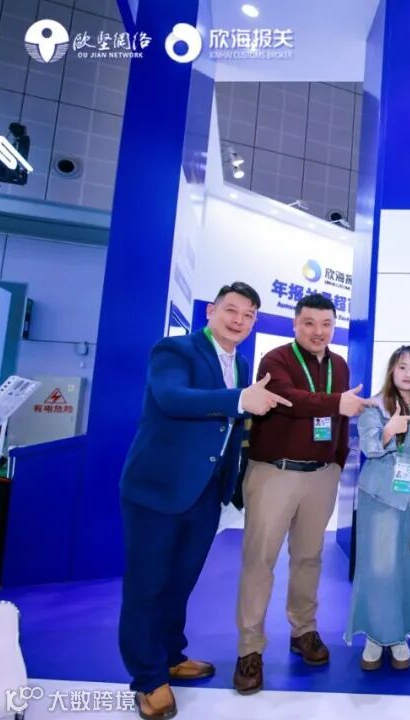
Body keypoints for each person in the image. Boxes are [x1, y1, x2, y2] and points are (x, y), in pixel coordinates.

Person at [119, 282, 291, 720]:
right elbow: (172, 398)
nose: (239, 321)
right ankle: (148, 679)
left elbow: (227, 430)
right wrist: (239, 399)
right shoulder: (175, 351)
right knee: (147, 586)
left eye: (248, 315)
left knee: (180, 581)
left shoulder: (241, 362)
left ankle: (169, 655)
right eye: (231, 310)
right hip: (158, 489)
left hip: (204, 493)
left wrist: (231, 483)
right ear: (211, 311)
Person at [233, 293, 369, 695]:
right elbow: (291, 400)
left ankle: (303, 630)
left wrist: (337, 462)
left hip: (321, 476)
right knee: (260, 560)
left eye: (326, 324)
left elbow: (339, 421)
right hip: (274, 473)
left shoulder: (339, 366)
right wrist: (338, 403)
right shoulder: (275, 360)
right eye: (309, 323)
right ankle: (250, 649)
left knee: (309, 557)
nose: (318, 332)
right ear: (295, 324)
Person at [344, 345, 410, 671]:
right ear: (392, 370)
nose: (408, 374)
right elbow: (368, 446)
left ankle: (399, 634)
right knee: (380, 567)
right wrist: (388, 431)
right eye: (402, 367)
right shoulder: (375, 405)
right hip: (380, 496)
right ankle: (376, 635)